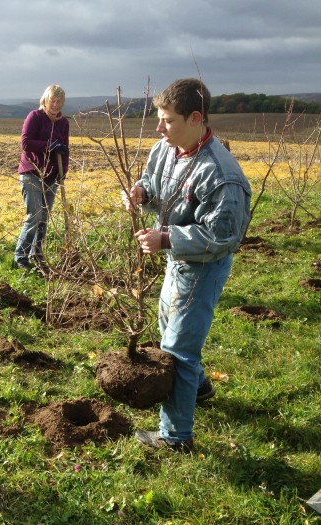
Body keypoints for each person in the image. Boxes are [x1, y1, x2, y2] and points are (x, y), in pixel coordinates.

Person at [123, 78, 251, 452]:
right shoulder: (166, 148)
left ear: (196, 118)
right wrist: (142, 193)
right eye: (159, 118)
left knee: (177, 346)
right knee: (168, 324)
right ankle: (199, 387)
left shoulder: (220, 175)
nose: (159, 128)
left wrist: (166, 239)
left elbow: (223, 237)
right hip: (178, 261)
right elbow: (152, 183)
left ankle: (175, 437)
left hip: (203, 267)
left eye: (168, 120)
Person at [14, 84, 70, 273]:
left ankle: (37, 255)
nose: (55, 105)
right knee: (35, 215)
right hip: (32, 173)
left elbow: (65, 149)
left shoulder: (64, 123)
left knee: (44, 218)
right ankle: (21, 257)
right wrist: (49, 145)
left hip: (52, 176)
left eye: (59, 102)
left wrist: (64, 172)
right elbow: (26, 143)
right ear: (45, 100)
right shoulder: (35, 117)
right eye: (52, 100)